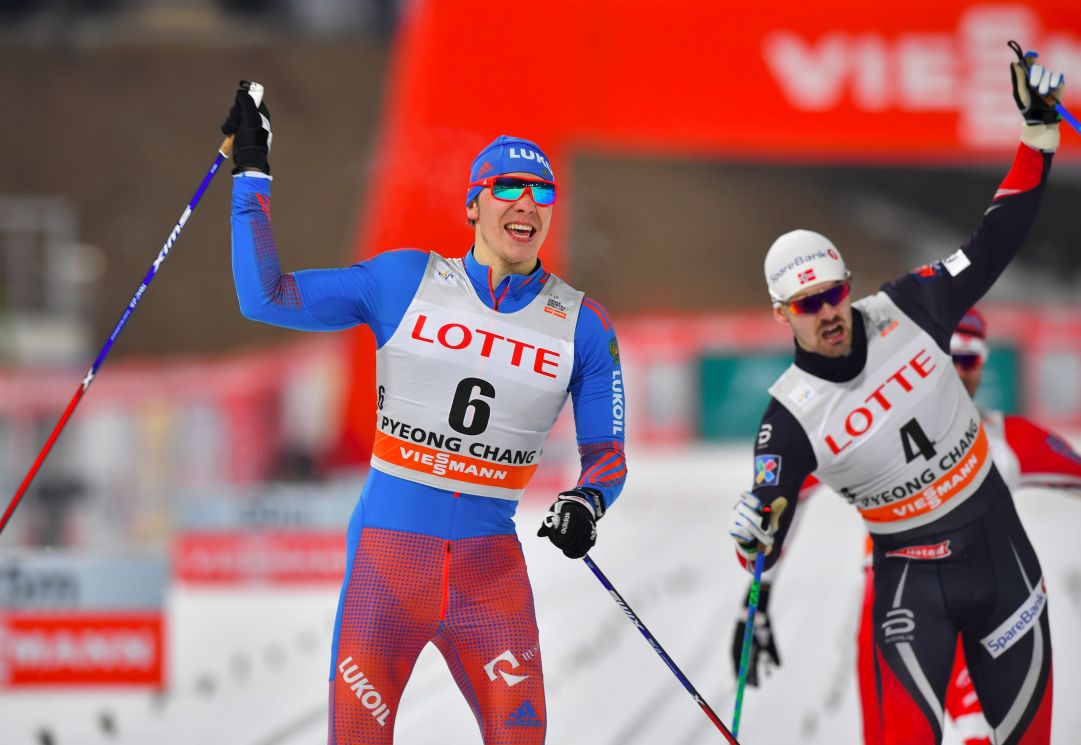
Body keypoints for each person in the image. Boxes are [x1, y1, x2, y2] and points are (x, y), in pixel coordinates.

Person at [223, 82, 627, 743]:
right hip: (387, 567)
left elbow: (607, 458)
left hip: (487, 576)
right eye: (508, 188)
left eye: (542, 192)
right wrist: (252, 173)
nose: (526, 203)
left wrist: (587, 503)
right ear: (473, 203)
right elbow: (264, 296)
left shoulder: (581, 325)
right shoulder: (405, 280)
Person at [727, 49, 1065, 745]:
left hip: (1000, 557)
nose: (825, 311)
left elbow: (993, 238)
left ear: (845, 283)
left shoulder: (910, 304)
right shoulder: (785, 420)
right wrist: (752, 540)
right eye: (805, 303)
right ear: (779, 314)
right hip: (911, 588)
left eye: (831, 291)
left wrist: (1034, 141)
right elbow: (765, 525)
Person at [731, 308, 1081, 744]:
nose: (955, 371)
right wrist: (757, 599)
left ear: (983, 364)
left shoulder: (1007, 438)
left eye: (968, 361)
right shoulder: (868, 424)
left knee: (980, 731)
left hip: (984, 596)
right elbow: (786, 503)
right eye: (946, 356)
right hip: (898, 607)